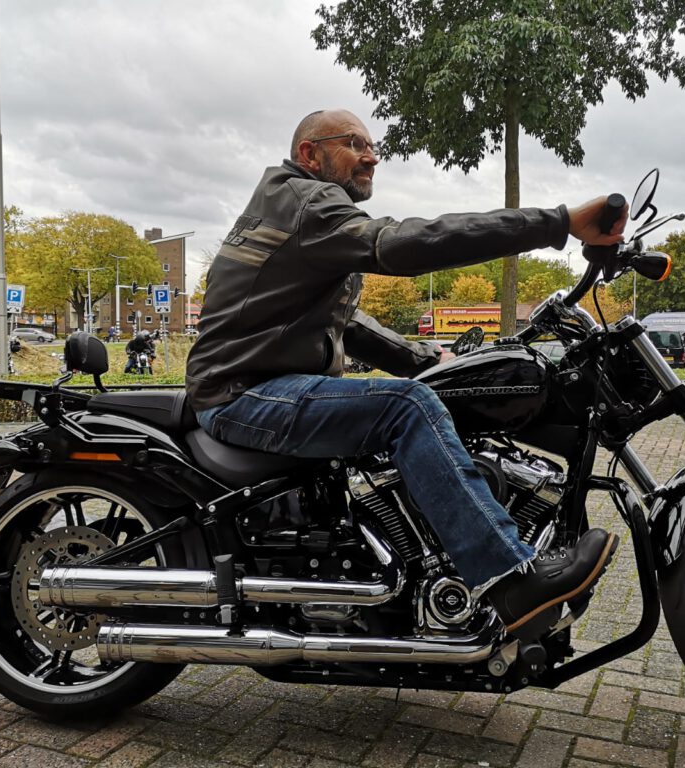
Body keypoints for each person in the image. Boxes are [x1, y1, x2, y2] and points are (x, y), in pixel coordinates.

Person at [186, 109, 626, 640]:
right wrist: (559, 223)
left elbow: (343, 322)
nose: (371, 156)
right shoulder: (308, 200)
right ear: (310, 153)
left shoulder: (298, 207)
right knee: (407, 408)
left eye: (374, 146)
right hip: (243, 392)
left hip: (258, 383)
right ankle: (509, 578)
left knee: (419, 393)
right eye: (354, 144)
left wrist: (428, 361)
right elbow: (409, 243)